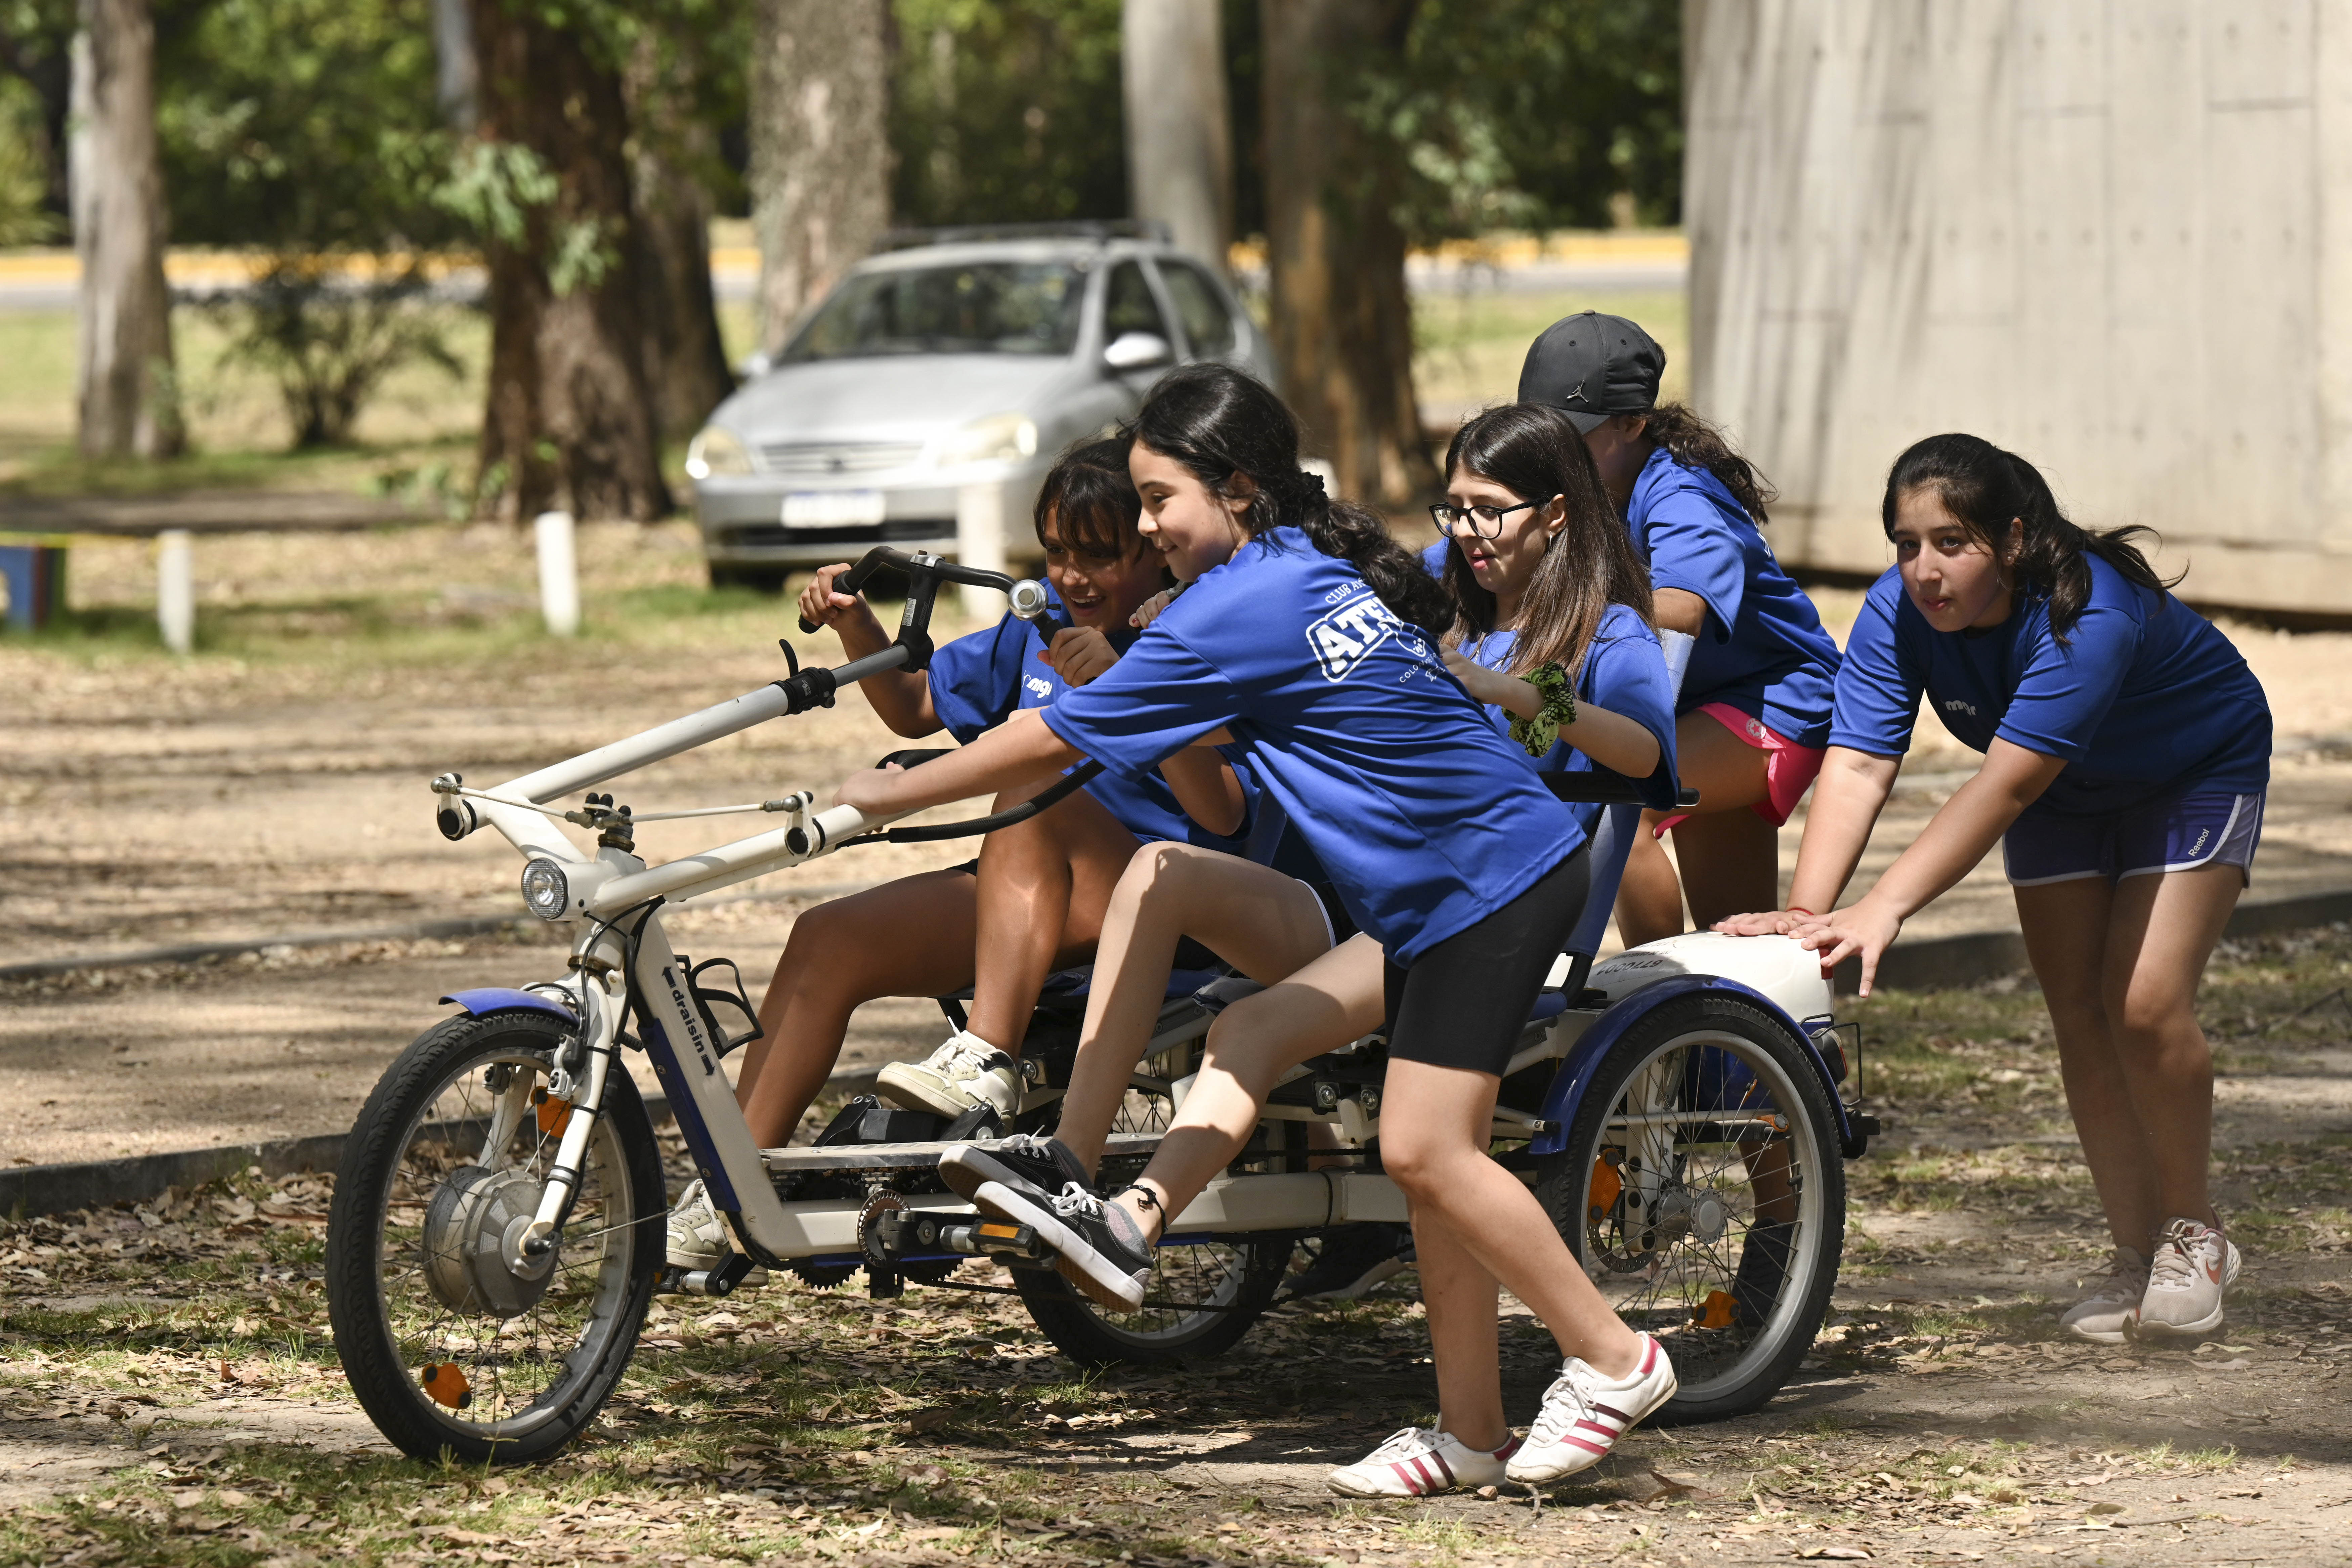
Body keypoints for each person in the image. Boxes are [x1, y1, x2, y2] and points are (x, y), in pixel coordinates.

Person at [832, 366, 1680, 1492]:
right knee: (1423, 1157)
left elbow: (1055, 736)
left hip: (1494, 875)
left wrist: (877, 797)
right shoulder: (1293, 565)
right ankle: (1471, 1432)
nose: (1142, 527)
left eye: (1156, 500)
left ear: (1237, 489)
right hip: (1442, 890)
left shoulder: (1270, 602)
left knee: (1424, 1149)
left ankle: (1616, 1355)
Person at [1716, 434, 2272, 1343]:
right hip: (2065, 792)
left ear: (2012, 539)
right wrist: (1809, 913)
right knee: (2078, 1014)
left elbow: (2004, 783)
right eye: (1906, 542)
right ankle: (2135, 1256)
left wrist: (1886, 904)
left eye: (1951, 543)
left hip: (2192, 771)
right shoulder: (1896, 610)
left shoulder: (2087, 610)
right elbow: (1857, 761)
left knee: (2141, 1003)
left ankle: (2193, 1234)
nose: (1923, 569)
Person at [666, 438, 1257, 1269]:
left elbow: (1227, 809)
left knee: (1028, 777)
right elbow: (913, 708)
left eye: (1099, 555)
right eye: (1056, 553)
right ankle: (726, 1200)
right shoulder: (1038, 629)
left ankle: (989, 1057)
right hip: (1028, 886)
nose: (1073, 577)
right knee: (828, 937)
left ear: (1154, 551)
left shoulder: (1190, 635)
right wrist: (854, 623)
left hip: (1156, 893)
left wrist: (1123, 683)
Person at [1516, 312, 1841, 944]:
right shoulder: (1579, 491)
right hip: (1691, 708)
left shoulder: (1679, 493)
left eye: (1568, 435)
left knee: (1614, 800)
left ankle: (1651, 1011)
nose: (1546, 454)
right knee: (1739, 939)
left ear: (1631, 424)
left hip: (1776, 700)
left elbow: (1683, 607)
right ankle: (1761, 1041)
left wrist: (1563, 607)